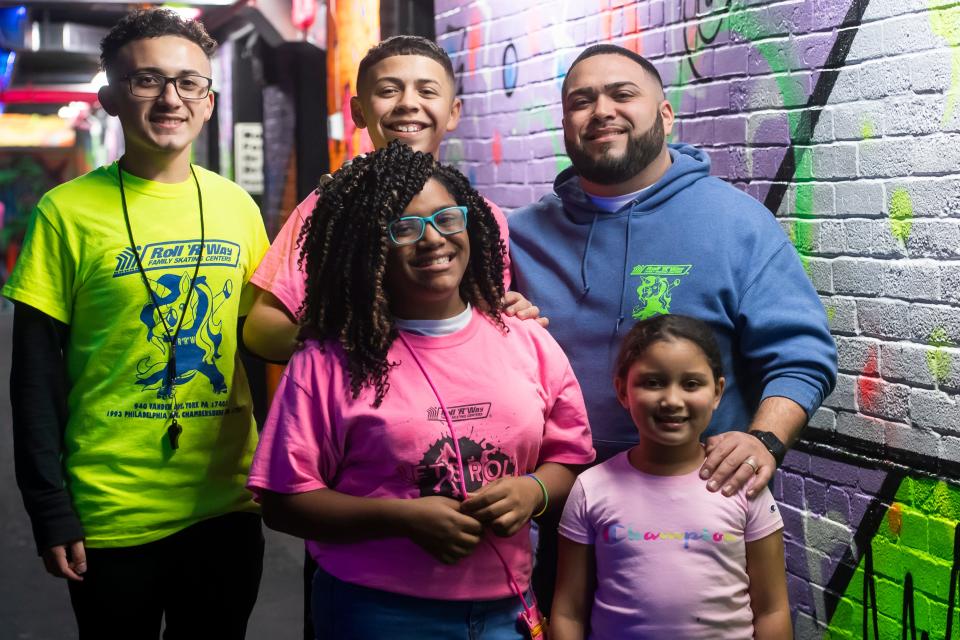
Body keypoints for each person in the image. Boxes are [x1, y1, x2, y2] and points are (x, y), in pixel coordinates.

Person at [246, 140, 595, 639]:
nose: (433, 239)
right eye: (405, 228)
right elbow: (283, 502)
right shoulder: (327, 360)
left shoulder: (528, 341)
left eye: (447, 219)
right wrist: (401, 519)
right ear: (372, 247)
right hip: (377, 613)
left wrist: (533, 489)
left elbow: (571, 456)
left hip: (508, 609)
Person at [3, 9, 268, 638]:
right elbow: (34, 377)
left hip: (226, 506)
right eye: (147, 81)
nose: (170, 98)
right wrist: (50, 510)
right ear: (112, 99)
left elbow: (259, 345)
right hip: (110, 513)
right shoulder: (65, 212)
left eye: (188, 83)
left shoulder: (237, 208)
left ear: (209, 101)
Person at [510, 43, 836, 488]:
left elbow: (802, 358)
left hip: (701, 518)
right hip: (562, 513)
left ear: (665, 115)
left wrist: (765, 441)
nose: (602, 110)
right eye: (581, 101)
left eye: (622, 94)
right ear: (566, 124)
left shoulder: (736, 223)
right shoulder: (519, 237)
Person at [243, 35, 539, 364]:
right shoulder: (326, 209)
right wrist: (337, 348)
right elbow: (261, 328)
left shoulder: (482, 217)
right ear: (357, 112)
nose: (408, 103)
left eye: (427, 91)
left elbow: (484, 313)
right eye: (388, 90)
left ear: (453, 112)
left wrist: (510, 313)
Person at [551, 314, 791, 639]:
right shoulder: (591, 488)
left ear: (717, 392)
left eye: (691, 384)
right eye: (653, 382)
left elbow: (772, 610)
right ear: (623, 390)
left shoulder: (743, 484)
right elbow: (568, 612)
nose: (672, 401)